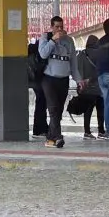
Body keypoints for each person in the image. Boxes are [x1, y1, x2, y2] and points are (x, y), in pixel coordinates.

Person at [37, 16, 79, 148]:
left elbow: (73, 63)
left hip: (63, 79)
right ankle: (58, 137)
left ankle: (50, 138)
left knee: (59, 110)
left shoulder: (69, 41)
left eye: (61, 26)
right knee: (53, 108)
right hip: (49, 78)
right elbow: (43, 54)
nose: (60, 29)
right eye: (57, 27)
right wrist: (53, 41)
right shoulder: (45, 38)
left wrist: (78, 79)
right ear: (52, 27)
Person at [76, 35, 105, 140]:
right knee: (100, 110)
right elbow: (101, 70)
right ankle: (101, 131)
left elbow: (76, 70)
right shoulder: (100, 54)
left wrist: (80, 83)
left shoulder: (80, 55)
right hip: (98, 87)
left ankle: (87, 132)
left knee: (87, 111)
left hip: (85, 88)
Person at [27, 40, 49, 139]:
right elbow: (40, 69)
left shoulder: (32, 54)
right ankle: (40, 129)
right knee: (41, 105)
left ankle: (41, 128)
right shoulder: (38, 55)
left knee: (41, 104)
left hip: (36, 82)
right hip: (39, 82)